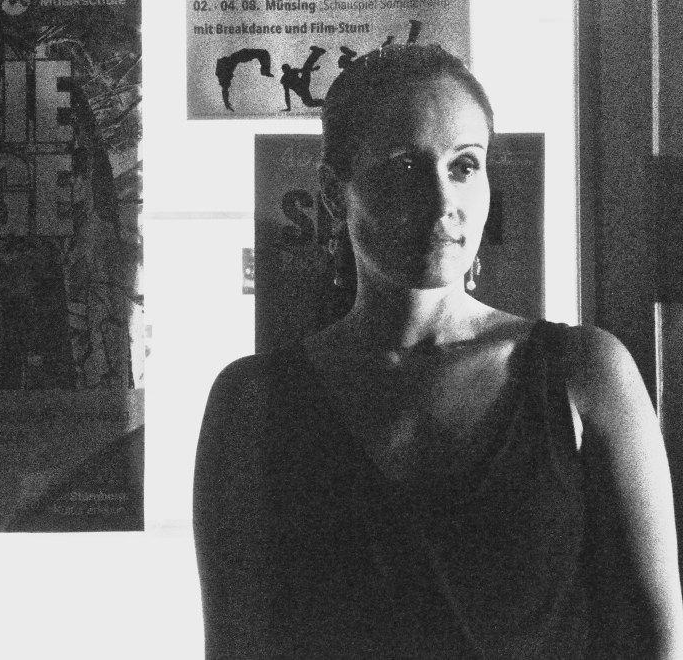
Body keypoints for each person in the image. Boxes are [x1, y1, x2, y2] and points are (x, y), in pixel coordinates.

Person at [194, 43, 683, 658]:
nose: (441, 199)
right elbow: (235, 643)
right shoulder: (251, 402)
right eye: (403, 166)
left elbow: (654, 642)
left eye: (464, 165)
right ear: (333, 192)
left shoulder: (585, 373)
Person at [280, 45, 326, 111]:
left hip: (304, 82)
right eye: (287, 71)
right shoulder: (284, 80)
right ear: (284, 72)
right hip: (302, 91)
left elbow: (303, 70)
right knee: (308, 103)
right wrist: (289, 107)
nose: (289, 72)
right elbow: (287, 94)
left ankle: (317, 53)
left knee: (306, 66)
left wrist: (313, 69)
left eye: (289, 69)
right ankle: (324, 103)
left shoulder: (293, 71)